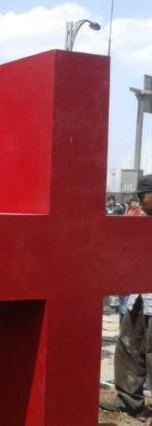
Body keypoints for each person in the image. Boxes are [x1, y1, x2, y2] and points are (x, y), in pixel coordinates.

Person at [100, 175, 152, 421]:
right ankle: (129, 401)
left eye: (144, 194)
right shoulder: (138, 222)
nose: (140, 198)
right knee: (128, 348)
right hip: (137, 297)